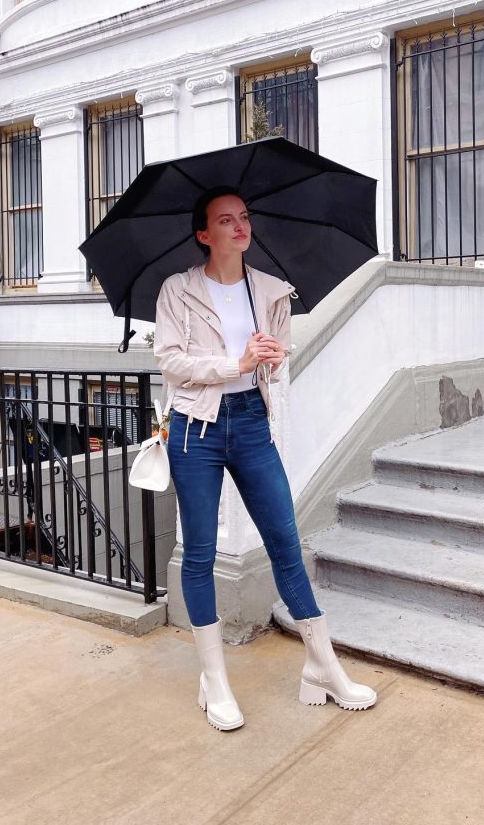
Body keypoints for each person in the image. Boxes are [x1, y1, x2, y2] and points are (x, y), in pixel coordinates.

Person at [153, 186, 377, 731]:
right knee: (200, 553)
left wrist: (274, 359)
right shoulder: (178, 290)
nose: (240, 226)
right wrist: (236, 362)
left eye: (244, 217)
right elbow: (170, 362)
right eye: (225, 220)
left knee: (284, 542)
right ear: (204, 234)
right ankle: (214, 680)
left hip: (252, 422)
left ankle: (322, 666)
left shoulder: (271, 290)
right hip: (196, 429)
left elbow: (274, 364)